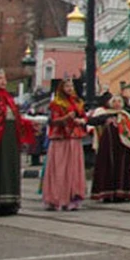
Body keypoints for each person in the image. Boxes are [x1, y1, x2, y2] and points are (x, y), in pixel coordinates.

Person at [88, 94, 130, 203]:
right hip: (107, 146)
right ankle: (107, 194)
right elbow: (93, 122)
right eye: (114, 101)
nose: (117, 104)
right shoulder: (105, 115)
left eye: (119, 101)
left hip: (122, 147)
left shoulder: (125, 116)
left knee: (121, 167)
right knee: (107, 167)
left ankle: (121, 193)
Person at [42, 79, 87, 211]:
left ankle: (73, 196)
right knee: (60, 168)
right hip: (60, 139)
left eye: (71, 86)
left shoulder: (78, 102)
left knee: (74, 168)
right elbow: (53, 121)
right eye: (67, 86)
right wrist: (66, 117)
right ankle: (57, 197)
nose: (70, 88)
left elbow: (84, 117)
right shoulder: (56, 103)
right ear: (61, 88)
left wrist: (82, 120)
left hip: (74, 138)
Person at [0, 68, 37, 215]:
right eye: (0, 79)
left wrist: (30, 125)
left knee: (10, 167)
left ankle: (10, 202)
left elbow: (17, 119)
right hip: (0, 139)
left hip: (10, 139)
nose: (3, 82)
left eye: (4, 79)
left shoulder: (8, 98)